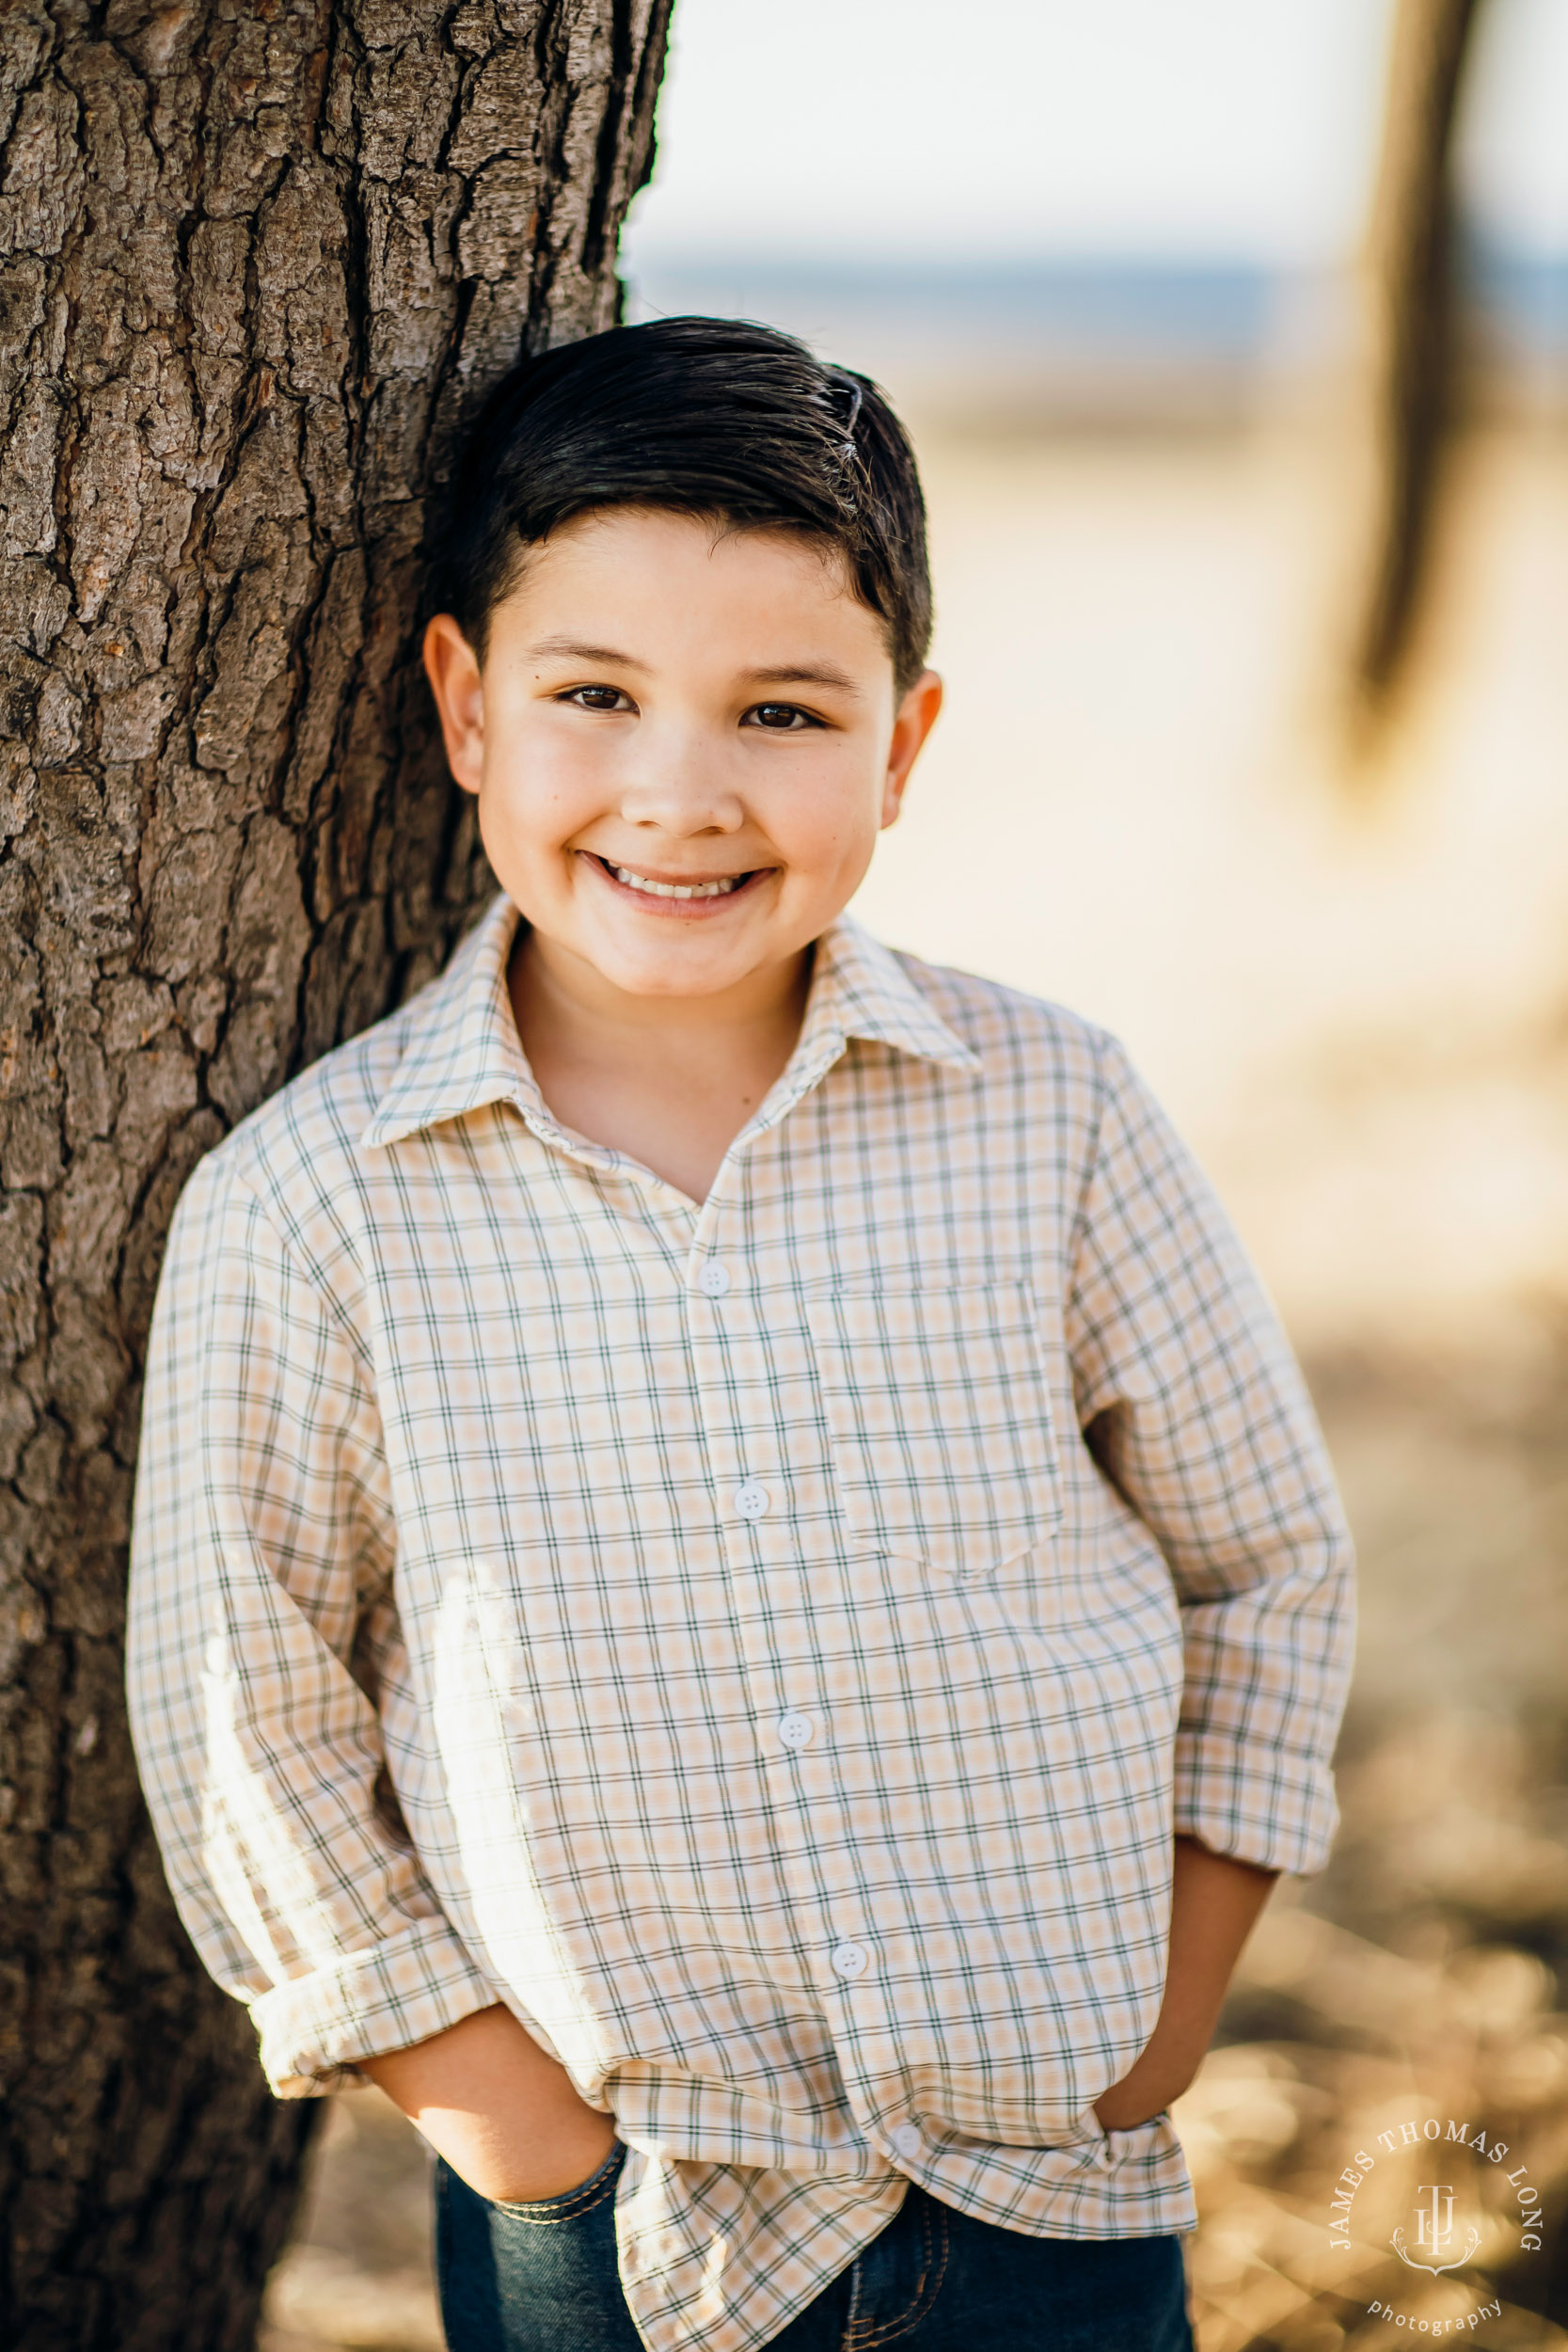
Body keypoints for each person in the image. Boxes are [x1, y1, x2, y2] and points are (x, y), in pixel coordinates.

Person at [126, 317, 1354, 2352]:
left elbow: (1266, 1558)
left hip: (1048, 2177)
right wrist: (513, 2127)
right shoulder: (319, 1196)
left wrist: (1161, 2024)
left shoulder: (1048, 1110)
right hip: (621, 2229)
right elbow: (243, 1704)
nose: (678, 792)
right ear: (466, 705)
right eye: (592, 694)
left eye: (782, 710)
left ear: (904, 740)